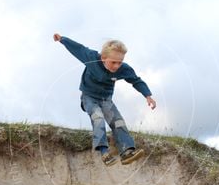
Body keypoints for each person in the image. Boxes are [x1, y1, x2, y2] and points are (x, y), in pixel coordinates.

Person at [54, 33, 156, 166]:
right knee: (98, 118)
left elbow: (136, 81)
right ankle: (104, 152)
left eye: (119, 62)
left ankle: (126, 152)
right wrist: (62, 39)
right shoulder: (91, 58)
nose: (116, 66)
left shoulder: (123, 69)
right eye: (113, 62)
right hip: (89, 97)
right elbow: (78, 48)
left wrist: (147, 95)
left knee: (118, 122)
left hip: (106, 100)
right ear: (103, 58)